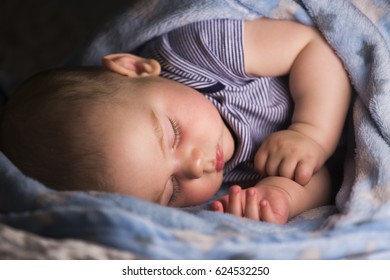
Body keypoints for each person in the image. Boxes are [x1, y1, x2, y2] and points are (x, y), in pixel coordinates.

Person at [0, 18, 351, 224]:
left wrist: (310, 132)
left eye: (173, 133)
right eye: (170, 191)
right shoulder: (217, 190)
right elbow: (323, 175)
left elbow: (311, 46)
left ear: (136, 68)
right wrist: (279, 195)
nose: (195, 166)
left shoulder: (197, 53)